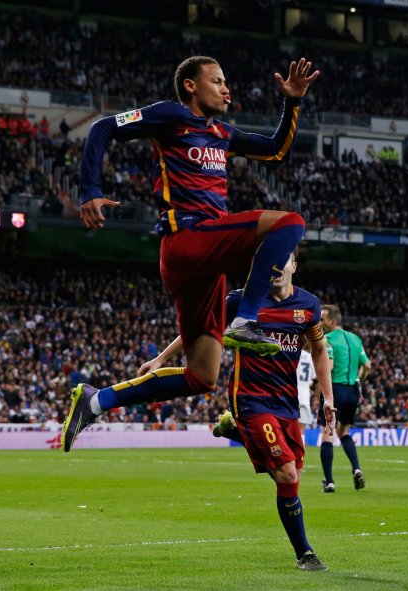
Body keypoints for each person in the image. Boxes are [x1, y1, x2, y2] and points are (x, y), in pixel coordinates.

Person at [62, 55, 320, 452]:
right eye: (216, 81)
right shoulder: (170, 116)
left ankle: (96, 401)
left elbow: (274, 151)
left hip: (204, 261)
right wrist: (89, 191)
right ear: (190, 86)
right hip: (189, 238)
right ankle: (246, 318)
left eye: (225, 80)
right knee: (290, 223)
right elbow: (102, 128)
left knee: (202, 376)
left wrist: (293, 102)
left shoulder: (222, 133)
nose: (226, 88)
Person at [142, 253, 336, 570]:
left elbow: (318, 350)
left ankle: (237, 431)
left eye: (282, 260)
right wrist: (162, 358)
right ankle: (305, 554)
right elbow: (198, 327)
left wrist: (328, 398)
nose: (276, 267)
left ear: (294, 266)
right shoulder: (242, 302)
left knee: (293, 479)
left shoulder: (309, 306)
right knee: (286, 473)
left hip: (286, 403)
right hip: (251, 398)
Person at [315, 304, 370, 492]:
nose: (319, 322)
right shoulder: (355, 339)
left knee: (328, 434)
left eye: (322, 319)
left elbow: (328, 367)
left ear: (332, 321)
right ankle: (356, 469)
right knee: (344, 432)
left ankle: (329, 482)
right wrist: (358, 381)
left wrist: (317, 382)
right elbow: (368, 365)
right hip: (352, 392)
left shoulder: (327, 339)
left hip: (334, 391)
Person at [296, 344, 316, 442]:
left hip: (291, 394)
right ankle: (300, 456)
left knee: (289, 428)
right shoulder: (310, 358)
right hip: (304, 396)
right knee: (301, 430)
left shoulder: (294, 354)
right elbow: (314, 379)